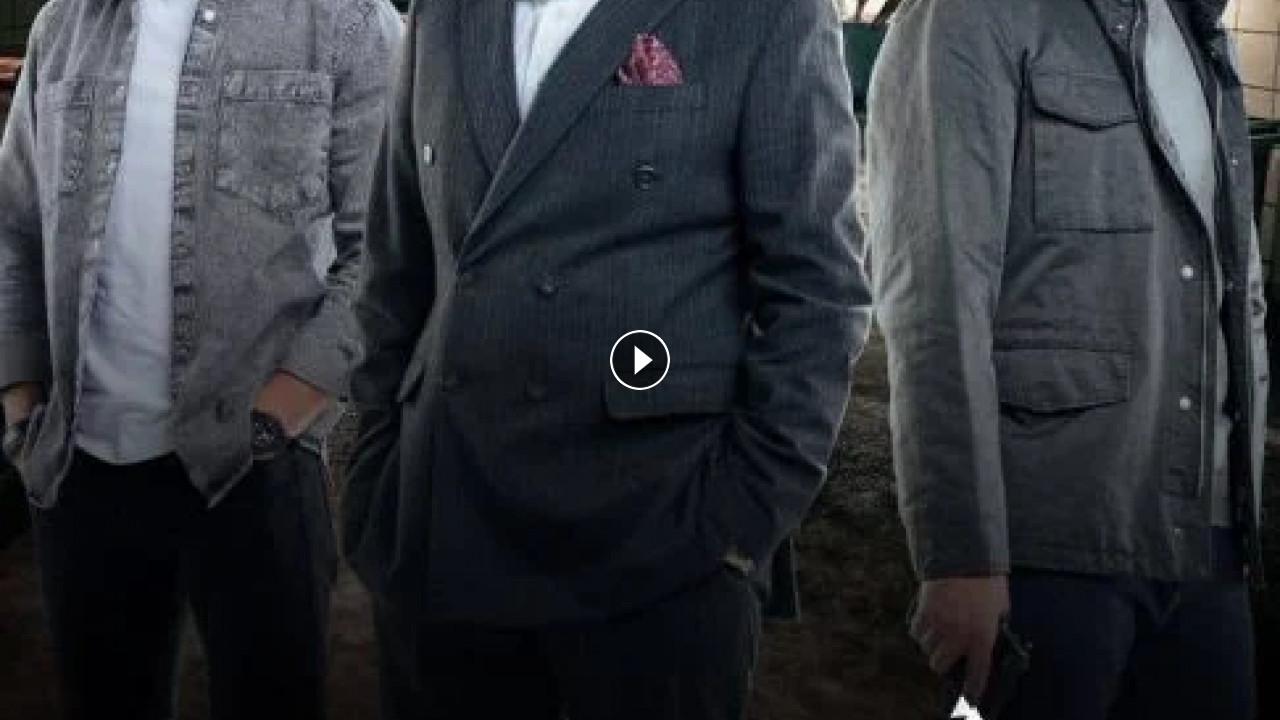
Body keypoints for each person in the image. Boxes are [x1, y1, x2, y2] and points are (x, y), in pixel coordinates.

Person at [342, 0, 872, 717]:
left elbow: (818, 290)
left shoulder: (766, 12)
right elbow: (394, 264)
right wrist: (376, 465)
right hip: (443, 535)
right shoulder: (445, 12)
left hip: (657, 551)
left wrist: (741, 518)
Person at [868, 0, 1267, 717]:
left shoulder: (1197, 28)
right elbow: (934, 296)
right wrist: (960, 554)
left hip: (1206, 539)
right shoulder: (969, 19)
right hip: (1052, 542)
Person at [0, 1, 398, 717]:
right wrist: (23, 403)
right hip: (78, 469)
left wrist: (280, 414)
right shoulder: (63, 24)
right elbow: (15, 227)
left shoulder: (344, 21)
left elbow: (385, 250)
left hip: (257, 469)